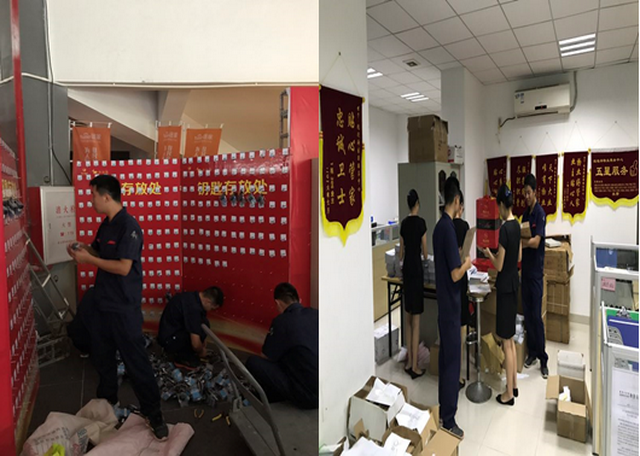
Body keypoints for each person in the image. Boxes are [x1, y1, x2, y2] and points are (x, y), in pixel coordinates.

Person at [67, 174, 168, 440]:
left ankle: (154, 414)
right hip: (103, 304)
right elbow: (99, 252)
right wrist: (83, 249)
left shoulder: (129, 227)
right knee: (103, 358)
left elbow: (123, 267)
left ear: (106, 196)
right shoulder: (106, 224)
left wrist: (89, 260)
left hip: (123, 308)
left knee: (136, 362)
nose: (91, 201)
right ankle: (107, 403)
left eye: (93, 196)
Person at [432, 176, 472, 438]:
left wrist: (458, 258)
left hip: (444, 303)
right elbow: (456, 274)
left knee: (446, 358)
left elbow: (447, 263)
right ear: (456, 200)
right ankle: (448, 419)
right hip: (450, 305)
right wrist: (466, 263)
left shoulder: (439, 227)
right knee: (451, 363)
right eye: (460, 203)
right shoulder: (447, 228)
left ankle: (443, 410)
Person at [246, 283, 318, 409]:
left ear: (277, 303)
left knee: (253, 362)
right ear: (299, 300)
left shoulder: (281, 321)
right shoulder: (315, 314)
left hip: (308, 396)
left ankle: (271, 398)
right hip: (326, 390)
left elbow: (266, 356)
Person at [483, 184, 522, 406]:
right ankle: (513, 385)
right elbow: (518, 256)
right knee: (511, 340)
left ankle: (508, 395)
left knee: (506, 341)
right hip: (514, 284)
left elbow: (498, 265)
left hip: (505, 287)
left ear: (500, 205)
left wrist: (489, 253)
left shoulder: (505, 229)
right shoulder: (517, 225)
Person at [521, 174, 549, 378]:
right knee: (528, 315)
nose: (526, 197)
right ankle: (532, 352)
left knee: (537, 317)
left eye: (529, 193)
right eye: (524, 193)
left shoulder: (540, 214)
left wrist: (521, 242)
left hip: (536, 274)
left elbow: (536, 241)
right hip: (525, 272)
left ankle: (543, 358)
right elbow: (523, 239)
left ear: (535, 192)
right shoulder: (525, 215)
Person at [399, 189, 428, 379]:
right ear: (417, 203)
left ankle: (409, 362)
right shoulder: (421, 223)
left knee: (408, 318)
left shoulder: (404, 224)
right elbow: (425, 253)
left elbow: (400, 253)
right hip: (417, 270)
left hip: (406, 271)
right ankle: (416, 366)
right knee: (416, 321)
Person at [158, 287, 224, 368]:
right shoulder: (193, 309)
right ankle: (181, 358)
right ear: (208, 301)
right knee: (195, 355)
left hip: (170, 331)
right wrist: (201, 351)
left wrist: (202, 342)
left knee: (204, 323)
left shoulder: (192, 297)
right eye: (211, 308)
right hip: (169, 339)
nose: (210, 310)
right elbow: (195, 344)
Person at [453, 191, 470, 391]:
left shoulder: (446, 226)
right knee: (462, 330)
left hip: (450, 283)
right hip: (461, 277)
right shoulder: (464, 227)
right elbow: (465, 256)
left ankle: (453, 374)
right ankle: (458, 374)